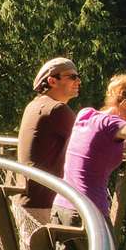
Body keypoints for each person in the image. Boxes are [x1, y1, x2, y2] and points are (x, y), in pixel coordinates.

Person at [53, 72, 126, 227]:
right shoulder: (112, 123)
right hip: (88, 215)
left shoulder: (86, 114)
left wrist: (123, 145)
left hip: (62, 207)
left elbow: (95, 146)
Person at [16, 57, 81, 221]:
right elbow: (88, 140)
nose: (78, 81)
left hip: (28, 198)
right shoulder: (56, 109)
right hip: (42, 204)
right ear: (52, 81)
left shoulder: (35, 105)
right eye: (72, 77)